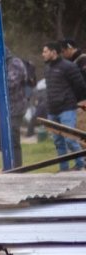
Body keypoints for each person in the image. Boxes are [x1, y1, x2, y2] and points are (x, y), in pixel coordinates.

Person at [41, 40, 86, 171]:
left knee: (70, 139)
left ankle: (81, 165)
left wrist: (75, 101)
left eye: (45, 51)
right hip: (52, 110)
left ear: (53, 52)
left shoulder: (69, 67)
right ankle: (64, 169)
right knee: (58, 142)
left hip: (67, 109)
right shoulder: (47, 69)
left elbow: (80, 86)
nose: (42, 54)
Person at [0, 43, 29, 167]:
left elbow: (9, 85)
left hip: (14, 108)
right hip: (0, 110)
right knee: (0, 142)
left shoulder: (14, 63)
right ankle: (10, 163)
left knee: (12, 140)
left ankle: (16, 168)